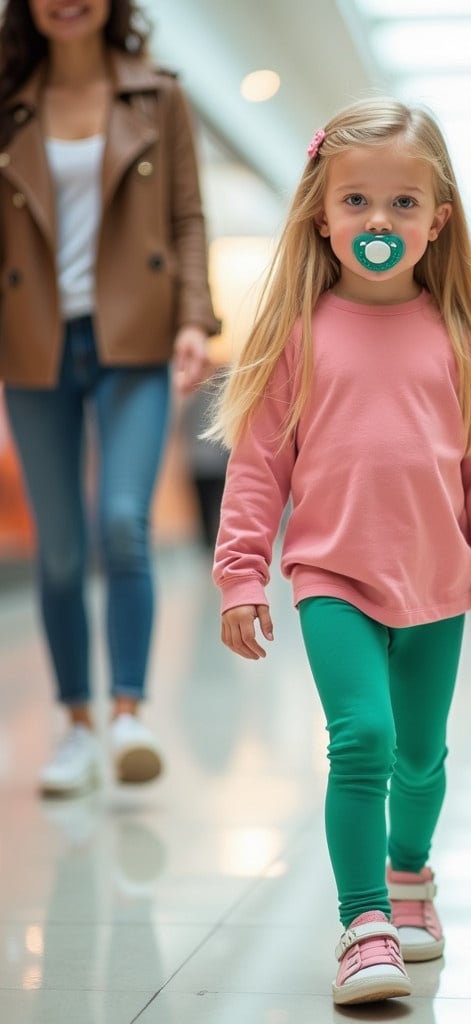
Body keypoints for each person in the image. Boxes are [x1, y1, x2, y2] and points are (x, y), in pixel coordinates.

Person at [211, 97, 471, 1005]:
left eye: (401, 203)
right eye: (356, 202)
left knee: (421, 757)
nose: (377, 221)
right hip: (331, 577)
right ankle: (363, 924)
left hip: (438, 582)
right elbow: (258, 469)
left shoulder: (463, 338)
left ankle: (410, 877)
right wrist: (242, 576)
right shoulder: (296, 337)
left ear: (438, 221)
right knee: (363, 741)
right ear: (322, 213)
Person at [0, 0, 219, 796]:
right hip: (30, 341)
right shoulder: (8, 98)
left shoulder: (159, 95)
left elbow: (188, 218)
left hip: (136, 337)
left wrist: (196, 317)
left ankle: (128, 713)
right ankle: (76, 725)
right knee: (59, 546)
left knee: (123, 522)